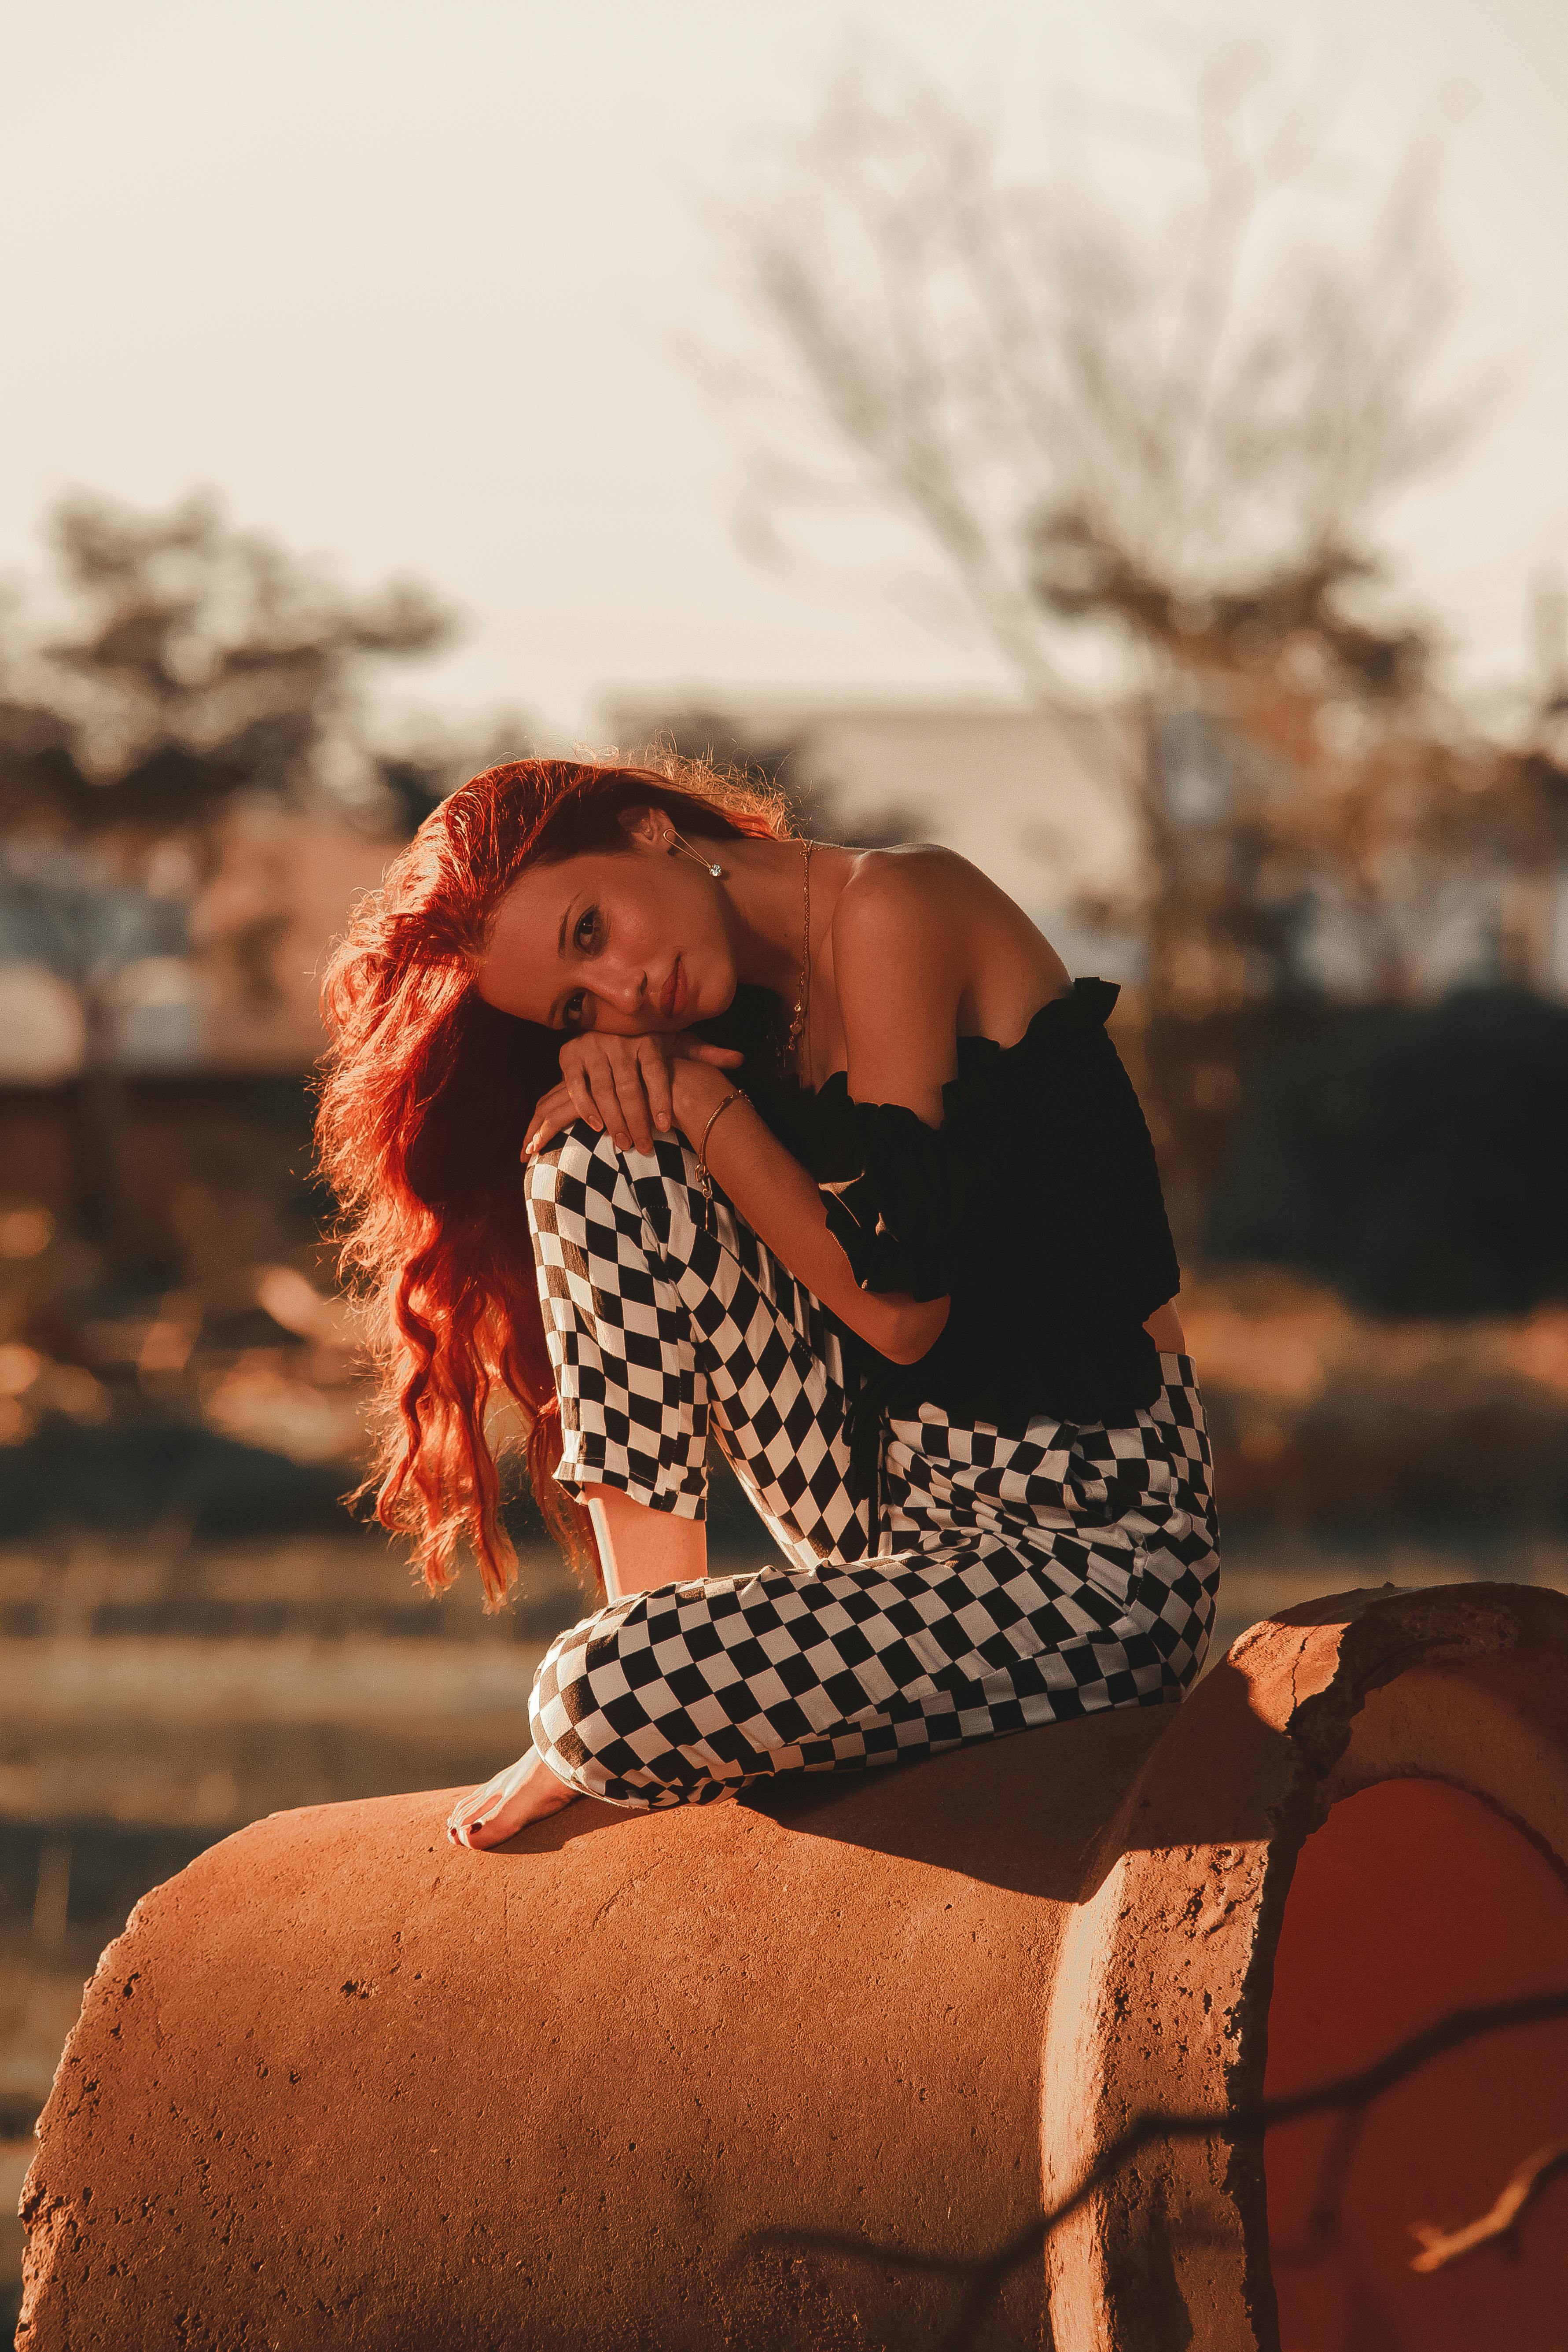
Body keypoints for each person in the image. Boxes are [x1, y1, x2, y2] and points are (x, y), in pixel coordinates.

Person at [315, 753, 1218, 1849]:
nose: (620, 992)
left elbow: (902, 1312)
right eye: (574, 1002)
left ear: (646, 827)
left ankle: (628, 1697)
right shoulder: (754, 1008)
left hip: (1088, 1552)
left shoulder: (893, 904)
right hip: (892, 1511)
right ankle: (642, 1642)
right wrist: (662, 1095)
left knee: (596, 1692)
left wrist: (700, 1100)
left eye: (590, 931)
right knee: (591, 1152)